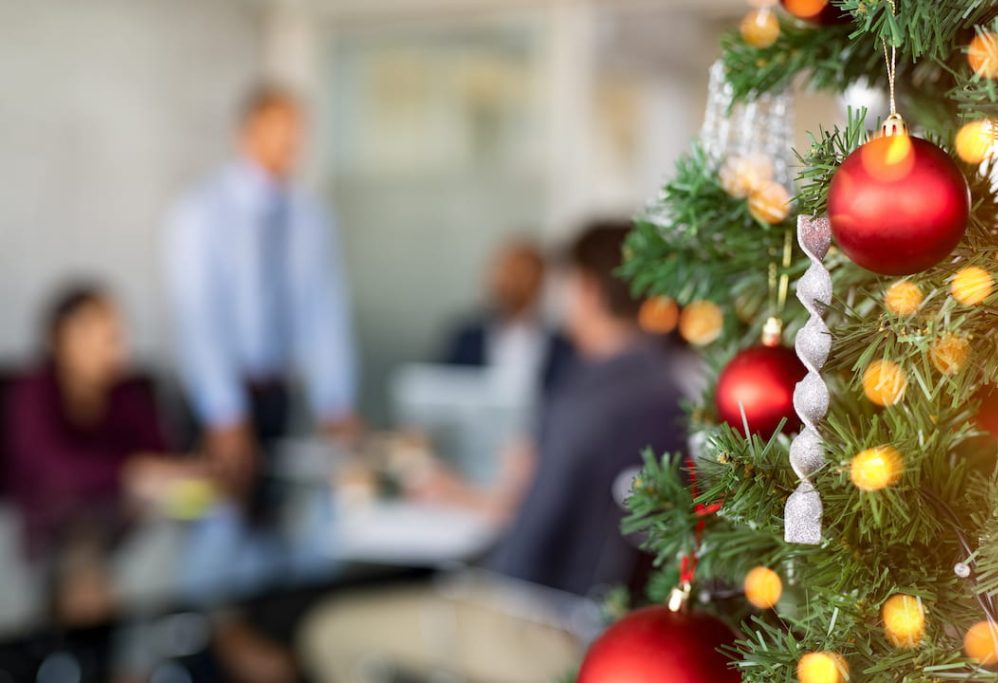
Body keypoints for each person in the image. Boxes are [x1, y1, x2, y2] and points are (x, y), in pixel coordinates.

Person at [300, 221, 686, 683]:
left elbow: (517, 564)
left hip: (543, 631)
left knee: (331, 631)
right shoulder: (669, 390)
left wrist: (506, 505)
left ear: (586, 289)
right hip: (626, 632)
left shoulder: (580, 407)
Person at [164, 83, 358, 499]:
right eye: (281, 128)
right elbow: (199, 317)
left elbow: (322, 310)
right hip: (214, 400)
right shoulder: (200, 212)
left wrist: (335, 399)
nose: (293, 141)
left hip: (277, 395)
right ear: (248, 131)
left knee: (277, 514)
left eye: (299, 130)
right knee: (217, 522)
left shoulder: (310, 215)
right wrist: (223, 412)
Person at [3, 284, 197, 624]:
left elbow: (160, 453)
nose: (113, 347)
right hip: (43, 518)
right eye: (99, 334)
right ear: (59, 337)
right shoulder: (34, 389)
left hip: (107, 515)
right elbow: (48, 466)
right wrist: (130, 472)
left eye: (116, 335)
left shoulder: (125, 391)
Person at [443, 239, 574, 396]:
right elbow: (443, 388)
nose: (512, 283)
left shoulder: (562, 343)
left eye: (522, 275)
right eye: (507, 273)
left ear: (539, 281)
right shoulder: (467, 336)